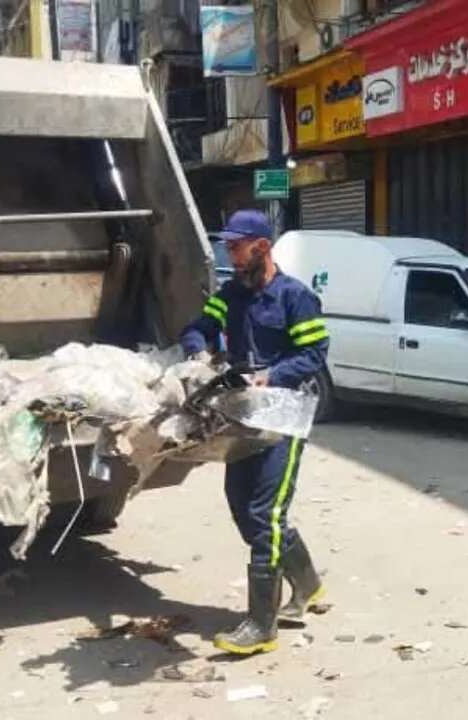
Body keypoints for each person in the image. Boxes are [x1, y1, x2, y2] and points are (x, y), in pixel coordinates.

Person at [180, 209, 330, 655]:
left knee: (265, 513)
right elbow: (198, 328)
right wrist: (198, 354)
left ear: (261, 247)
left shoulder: (295, 298)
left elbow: (315, 352)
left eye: (235, 247)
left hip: (284, 415)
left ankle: (262, 626)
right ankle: (309, 585)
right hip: (243, 414)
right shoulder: (229, 294)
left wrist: (274, 375)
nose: (230, 254)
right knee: (242, 509)